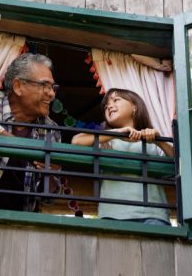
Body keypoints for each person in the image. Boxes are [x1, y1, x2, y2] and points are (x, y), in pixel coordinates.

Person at [71, 88, 175, 226]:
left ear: (134, 107)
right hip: (112, 215)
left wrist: (159, 140)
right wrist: (117, 132)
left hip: (154, 215)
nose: (109, 106)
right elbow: (76, 141)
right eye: (106, 106)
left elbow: (178, 163)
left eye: (116, 100)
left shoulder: (153, 143)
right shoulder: (105, 141)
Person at [0, 53, 61, 212]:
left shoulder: (51, 130)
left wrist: (50, 175)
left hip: (19, 223)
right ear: (18, 86)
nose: (52, 94)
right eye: (45, 85)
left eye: (53, 87)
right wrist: (29, 151)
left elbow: (48, 198)